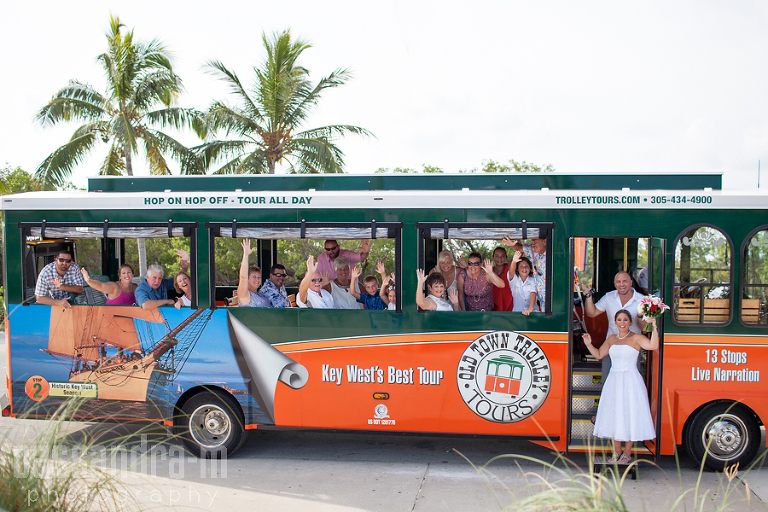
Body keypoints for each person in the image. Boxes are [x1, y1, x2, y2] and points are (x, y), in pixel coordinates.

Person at [583, 311, 659, 464]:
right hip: (614, 380)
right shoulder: (611, 339)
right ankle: (617, 452)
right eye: (619, 320)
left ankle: (627, 453)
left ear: (630, 322)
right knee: (614, 414)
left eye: (625, 320)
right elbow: (598, 355)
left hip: (631, 380)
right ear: (615, 322)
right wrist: (588, 344)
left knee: (630, 414)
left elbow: (653, 345)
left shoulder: (637, 337)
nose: (622, 322)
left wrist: (654, 326)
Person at [503, 236, 547, 311]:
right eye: (532, 241)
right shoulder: (534, 253)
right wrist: (512, 244)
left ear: (545, 241)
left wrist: (530, 308)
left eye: (534, 241)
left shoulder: (554, 255)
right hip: (542, 301)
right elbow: (520, 248)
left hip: (554, 299)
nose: (532, 244)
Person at [235, 240, 273, 308]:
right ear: (248, 279)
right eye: (254, 277)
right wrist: (246, 255)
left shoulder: (260, 294)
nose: (257, 280)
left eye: (259, 277)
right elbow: (243, 278)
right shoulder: (245, 296)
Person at [508, 251, 537, 315]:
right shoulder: (514, 279)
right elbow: (511, 272)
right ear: (517, 269)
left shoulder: (533, 280)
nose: (524, 268)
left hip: (532, 313)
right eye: (521, 266)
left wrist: (530, 308)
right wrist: (514, 261)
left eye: (526, 266)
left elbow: (533, 293)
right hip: (517, 313)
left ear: (530, 268)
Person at [491, 246, 514, 311]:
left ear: (506, 257)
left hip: (510, 305)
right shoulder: (490, 271)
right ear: (493, 257)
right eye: (497, 256)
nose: (500, 258)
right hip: (494, 306)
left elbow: (519, 253)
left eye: (502, 256)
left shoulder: (510, 267)